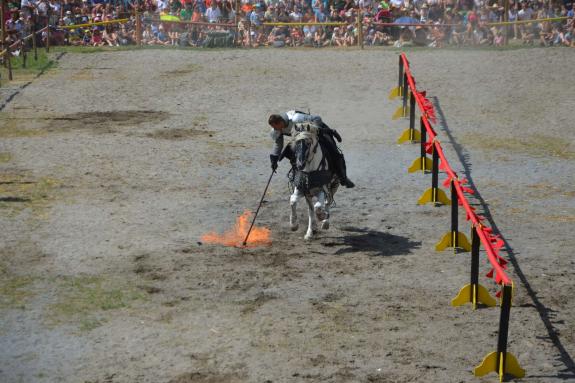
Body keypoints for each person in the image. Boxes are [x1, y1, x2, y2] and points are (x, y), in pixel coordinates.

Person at [268, 111, 355, 188]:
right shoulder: (276, 128)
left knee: (332, 150)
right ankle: (297, 175)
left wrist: (315, 130)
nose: (275, 129)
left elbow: (317, 118)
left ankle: (343, 178)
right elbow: (278, 145)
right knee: (291, 153)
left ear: (279, 122)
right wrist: (274, 160)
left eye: (276, 127)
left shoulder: (297, 118)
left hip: (318, 130)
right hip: (299, 138)